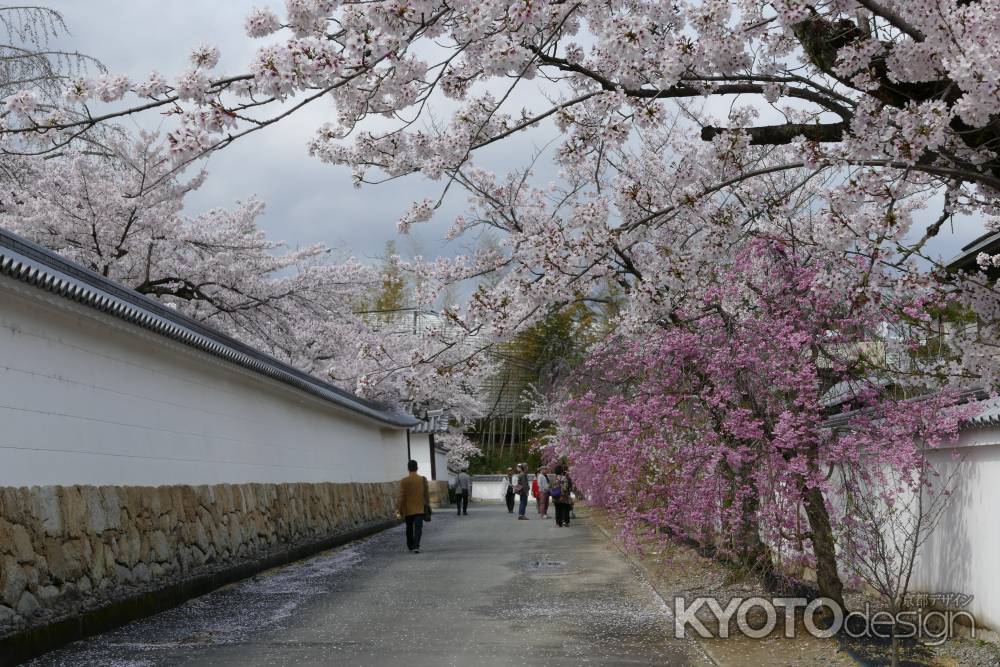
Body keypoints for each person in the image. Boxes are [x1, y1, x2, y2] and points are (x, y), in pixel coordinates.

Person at [397, 459, 430, 553]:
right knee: (418, 527)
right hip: (420, 508)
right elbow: (426, 494)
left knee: (409, 527)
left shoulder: (404, 481)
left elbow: (401, 496)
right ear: (417, 468)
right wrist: (427, 504)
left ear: (408, 468)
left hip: (408, 508)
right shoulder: (422, 479)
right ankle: (416, 545)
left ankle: (410, 545)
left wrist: (398, 508)